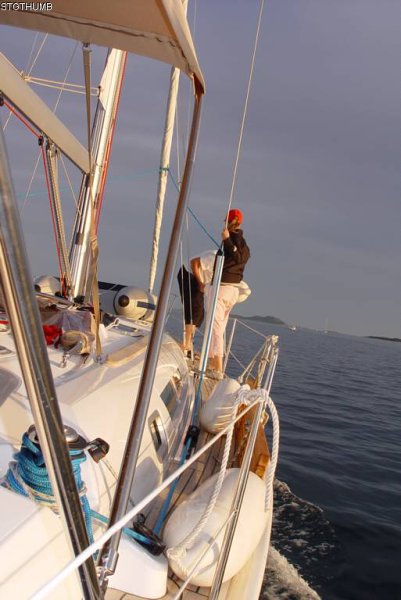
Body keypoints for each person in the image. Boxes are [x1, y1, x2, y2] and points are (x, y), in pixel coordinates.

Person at [208, 208, 250, 375]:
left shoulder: (232, 239)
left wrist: (226, 240)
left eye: (226, 220)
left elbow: (237, 257)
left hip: (222, 289)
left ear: (229, 221)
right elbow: (243, 258)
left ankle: (217, 366)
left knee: (215, 327)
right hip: (232, 291)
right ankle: (213, 362)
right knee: (219, 327)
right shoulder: (243, 243)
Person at [177, 249, 216, 356]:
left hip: (197, 278)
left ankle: (189, 344)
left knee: (200, 316)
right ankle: (186, 344)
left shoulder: (228, 266)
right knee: (194, 310)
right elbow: (194, 263)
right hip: (188, 274)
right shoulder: (215, 257)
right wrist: (200, 283)